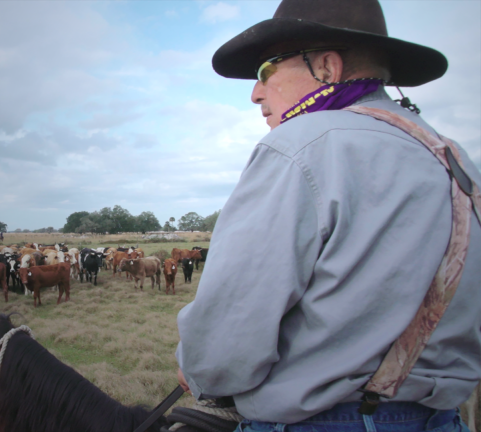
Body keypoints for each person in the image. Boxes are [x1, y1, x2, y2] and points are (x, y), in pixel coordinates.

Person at [175, 1, 480, 431]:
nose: (256, 93)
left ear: (326, 68)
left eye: (266, 70)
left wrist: (200, 370)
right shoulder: (456, 160)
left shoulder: (301, 144)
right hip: (443, 419)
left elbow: (226, 337)